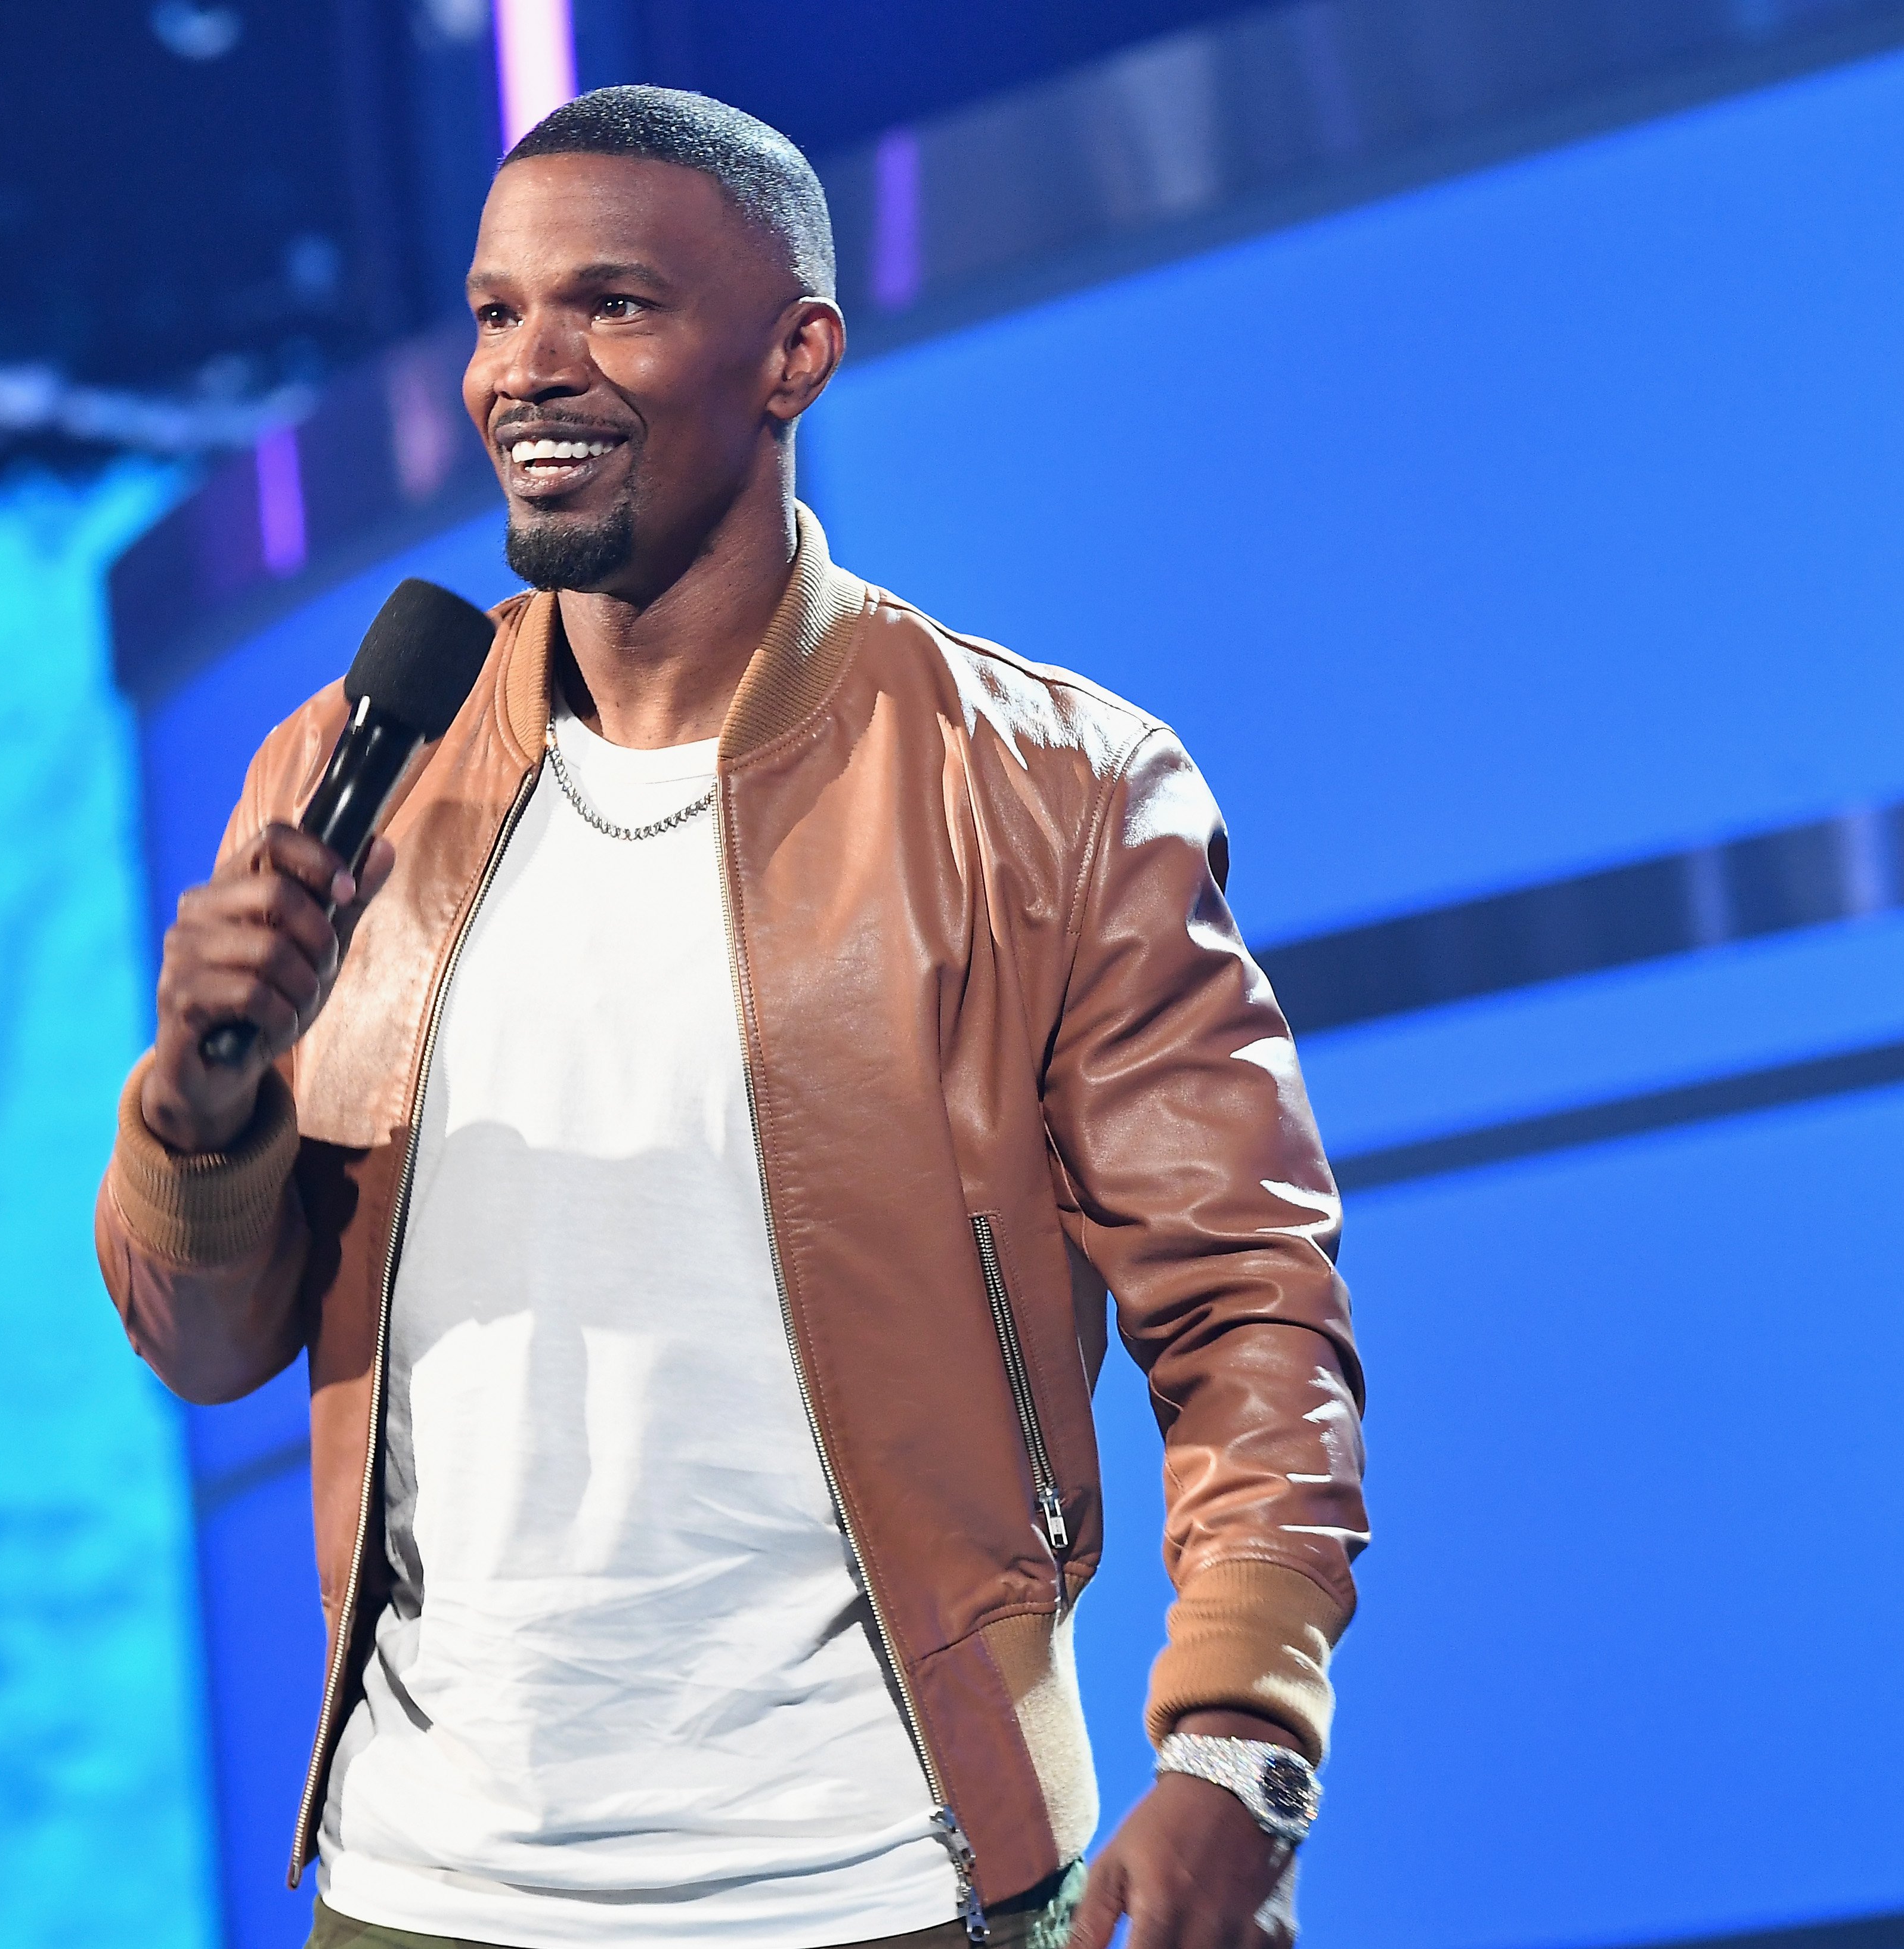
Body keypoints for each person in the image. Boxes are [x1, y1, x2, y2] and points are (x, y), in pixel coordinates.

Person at [97, 85, 1366, 1949]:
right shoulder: (349, 777)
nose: (526, 368)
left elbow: (1249, 1307)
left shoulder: (1049, 790)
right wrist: (197, 1106)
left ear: (794, 356)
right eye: (493, 310)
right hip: (418, 1891)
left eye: (609, 304)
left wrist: (1239, 1741)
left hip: (879, 1889)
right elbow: (211, 1348)